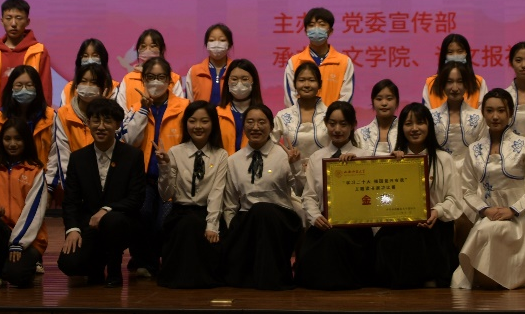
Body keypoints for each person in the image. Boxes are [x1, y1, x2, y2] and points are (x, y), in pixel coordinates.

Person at [452, 89, 525, 290]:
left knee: (485, 231)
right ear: (483, 113)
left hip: (519, 216)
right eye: (489, 111)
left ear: (510, 113)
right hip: (490, 213)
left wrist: (513, 210)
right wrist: (485, 210)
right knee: (483, 229)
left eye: (501, 111)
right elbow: (467, 189)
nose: (495, 116)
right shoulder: (474, 149)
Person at [208, 104, 304, 290]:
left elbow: (300, 191)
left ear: (271, 126)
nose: (255, 127)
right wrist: (233, 232)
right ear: (243, 126)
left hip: (281, 219)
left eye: (262, 122)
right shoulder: (233, 160)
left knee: (263, 211)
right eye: (250, 122)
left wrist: (296, 166)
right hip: (247, 220)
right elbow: (230, 205)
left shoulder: (285, 155)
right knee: (256, 214)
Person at [374, 103, 463, 288]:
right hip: (402, 224)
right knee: (388, 239)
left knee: (419, 235)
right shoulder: (394, 160)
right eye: (408, 124)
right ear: (401, 128)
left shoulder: (444, 159)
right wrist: (392, 167)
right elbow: (383, 199)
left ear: (429, 125)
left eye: (420, 123)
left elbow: (454, 199)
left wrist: (436, 211)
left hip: (435, 225)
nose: (414, 128)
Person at [58, 98, 144, 287]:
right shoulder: (78, 158)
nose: (101, 127)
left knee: (112, 220)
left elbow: (136, 198)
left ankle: (114, 271)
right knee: (69, 264)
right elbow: (71, 201)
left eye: (108, 121)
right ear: (88, 123)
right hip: (90, 224)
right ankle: (96, 264)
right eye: (96, 121)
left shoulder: (132, 155)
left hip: (123, 222)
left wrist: (106, 209)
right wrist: (72, 229)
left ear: (118, 124)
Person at [119, 55, 188, 277]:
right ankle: (144, 262)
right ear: (143, 80)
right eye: (150, 77)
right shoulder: (134, 108)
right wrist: (142, 110)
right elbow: (129, 141)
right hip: (143, 177)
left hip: (172, 177)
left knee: (163, 223)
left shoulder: (184, 107)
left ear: (169, 81)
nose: (155, 82)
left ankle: (165, 260)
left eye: (161, 77)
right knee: (142, 215)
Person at [296, 102, 376, 290]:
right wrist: (315, 217)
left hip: (355, 227)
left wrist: (358, 168)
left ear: (353, 125)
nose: (337, 129)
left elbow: (373, 194)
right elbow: (309, 195)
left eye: (343, 124)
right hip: (324, 224)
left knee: (336, 239)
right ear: (326, 124)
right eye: (332, 124)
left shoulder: (364, 157)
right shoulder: (317, 157)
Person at [152, 101, 229, 288]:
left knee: (198, 225)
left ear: (213, 124)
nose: (198, 126)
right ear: (186, 123)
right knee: (187, 224)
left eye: (204, 121)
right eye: (192, 121)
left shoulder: (221, 155)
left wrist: (212, 226)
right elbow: (166, 195)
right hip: (180, 213)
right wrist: (164, 167)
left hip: (207, 213)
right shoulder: (175, 152)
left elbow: (217, 192)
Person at [0, 117, 49, 288]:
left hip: (28, 240)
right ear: (1, 141)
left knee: (16, 276)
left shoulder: (36, 171)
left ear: (26, 141)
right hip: (2, 234)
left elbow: (33, 212)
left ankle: (21, 265)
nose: (12, 144)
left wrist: (17, 243)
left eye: (18, 139)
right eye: (7, 139)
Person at [0, 0, 51, 151]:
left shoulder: (39, 51)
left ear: (27, 21)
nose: (13, 23)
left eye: (19, 18)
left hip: (31, 127)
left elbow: (45, 93)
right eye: (9, 18)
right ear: (2, 21)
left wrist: (43, 126)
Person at [0, 65, 59, 189]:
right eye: (18, 85)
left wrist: (47, 187)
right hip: (8, 186)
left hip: (43, 184)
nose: (24, 89)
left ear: (37, 88)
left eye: (29, 85)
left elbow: (55, 156)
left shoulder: (51, 117)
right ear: (11, 88)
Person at [283, 7, 355, 107]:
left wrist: (330, 115)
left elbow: (347, 96)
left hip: (333, 117)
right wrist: (306, 115)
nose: (316, 29)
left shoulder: (344, 62)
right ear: (306, 31)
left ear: (330, 31)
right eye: (311, 25)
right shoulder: (295, 61)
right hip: (302, 117)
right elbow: (290, 98)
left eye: (322, 25)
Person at [53, 61, 113, 178]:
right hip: (74, 180)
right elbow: (63, 157)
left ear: (102, 88)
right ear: (76, 85)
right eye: (83, 81)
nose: (88, 86)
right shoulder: (63, 114)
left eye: (93, 82)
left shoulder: (110, 114)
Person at [272, 61, 328, 171]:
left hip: (324, 175)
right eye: (302, 80)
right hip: (290, 176)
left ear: (320, 84)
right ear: (295, 84)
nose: (306, 85)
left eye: (311, 80)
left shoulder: (330, 115)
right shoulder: (283, 116)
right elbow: (270, 146)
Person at [430, 61, 487, 168]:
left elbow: (483, 152)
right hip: (439, 172)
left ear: (467, 85)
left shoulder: (479, 117)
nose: (455, 88)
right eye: (449, 82)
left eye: (460, 82)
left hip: (470, 174)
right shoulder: (431, 117)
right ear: (442, 84)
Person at [116, 28, 186, 113]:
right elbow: (121, 111)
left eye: (153, 46)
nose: (147, 50)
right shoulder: (128, 79)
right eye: (143, 46)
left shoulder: (173, 78)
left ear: (161, 49)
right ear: (138, 50)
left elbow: (180, 108)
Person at [420, 33, 489, 109]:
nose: (455, 55)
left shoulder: (479, 82)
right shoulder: (431, 83)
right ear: (444, 55)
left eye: (460, 51)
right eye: (450, 52)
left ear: (466, 53)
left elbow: (484, 111)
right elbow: (426, 113)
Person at [216, 58, 264, 154]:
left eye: (244, 79)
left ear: (253, 82)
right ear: (227, 82)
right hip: (223, 163)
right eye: (234, 79)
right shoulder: (216, 113)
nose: (239, 83)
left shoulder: (263, 115)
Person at [183, 23, 235, 104]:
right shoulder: (194, 71)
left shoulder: (236, 70)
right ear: (206, 44)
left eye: (222, 40)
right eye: (212, 40)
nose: (217, 44)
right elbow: (189, 104)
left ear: (230, 44)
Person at [58, 38, 117, 106]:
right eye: (85, 56)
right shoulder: (69, 88)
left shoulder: (114, 88)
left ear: (103, 59)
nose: (90, 60)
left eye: (95, 56)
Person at [355, 79, 400, 156]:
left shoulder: (405, 132)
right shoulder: (360, 135)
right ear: (372, 102)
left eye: (389, 99)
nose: (384, 103)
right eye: (379, 99)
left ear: (397, 102)